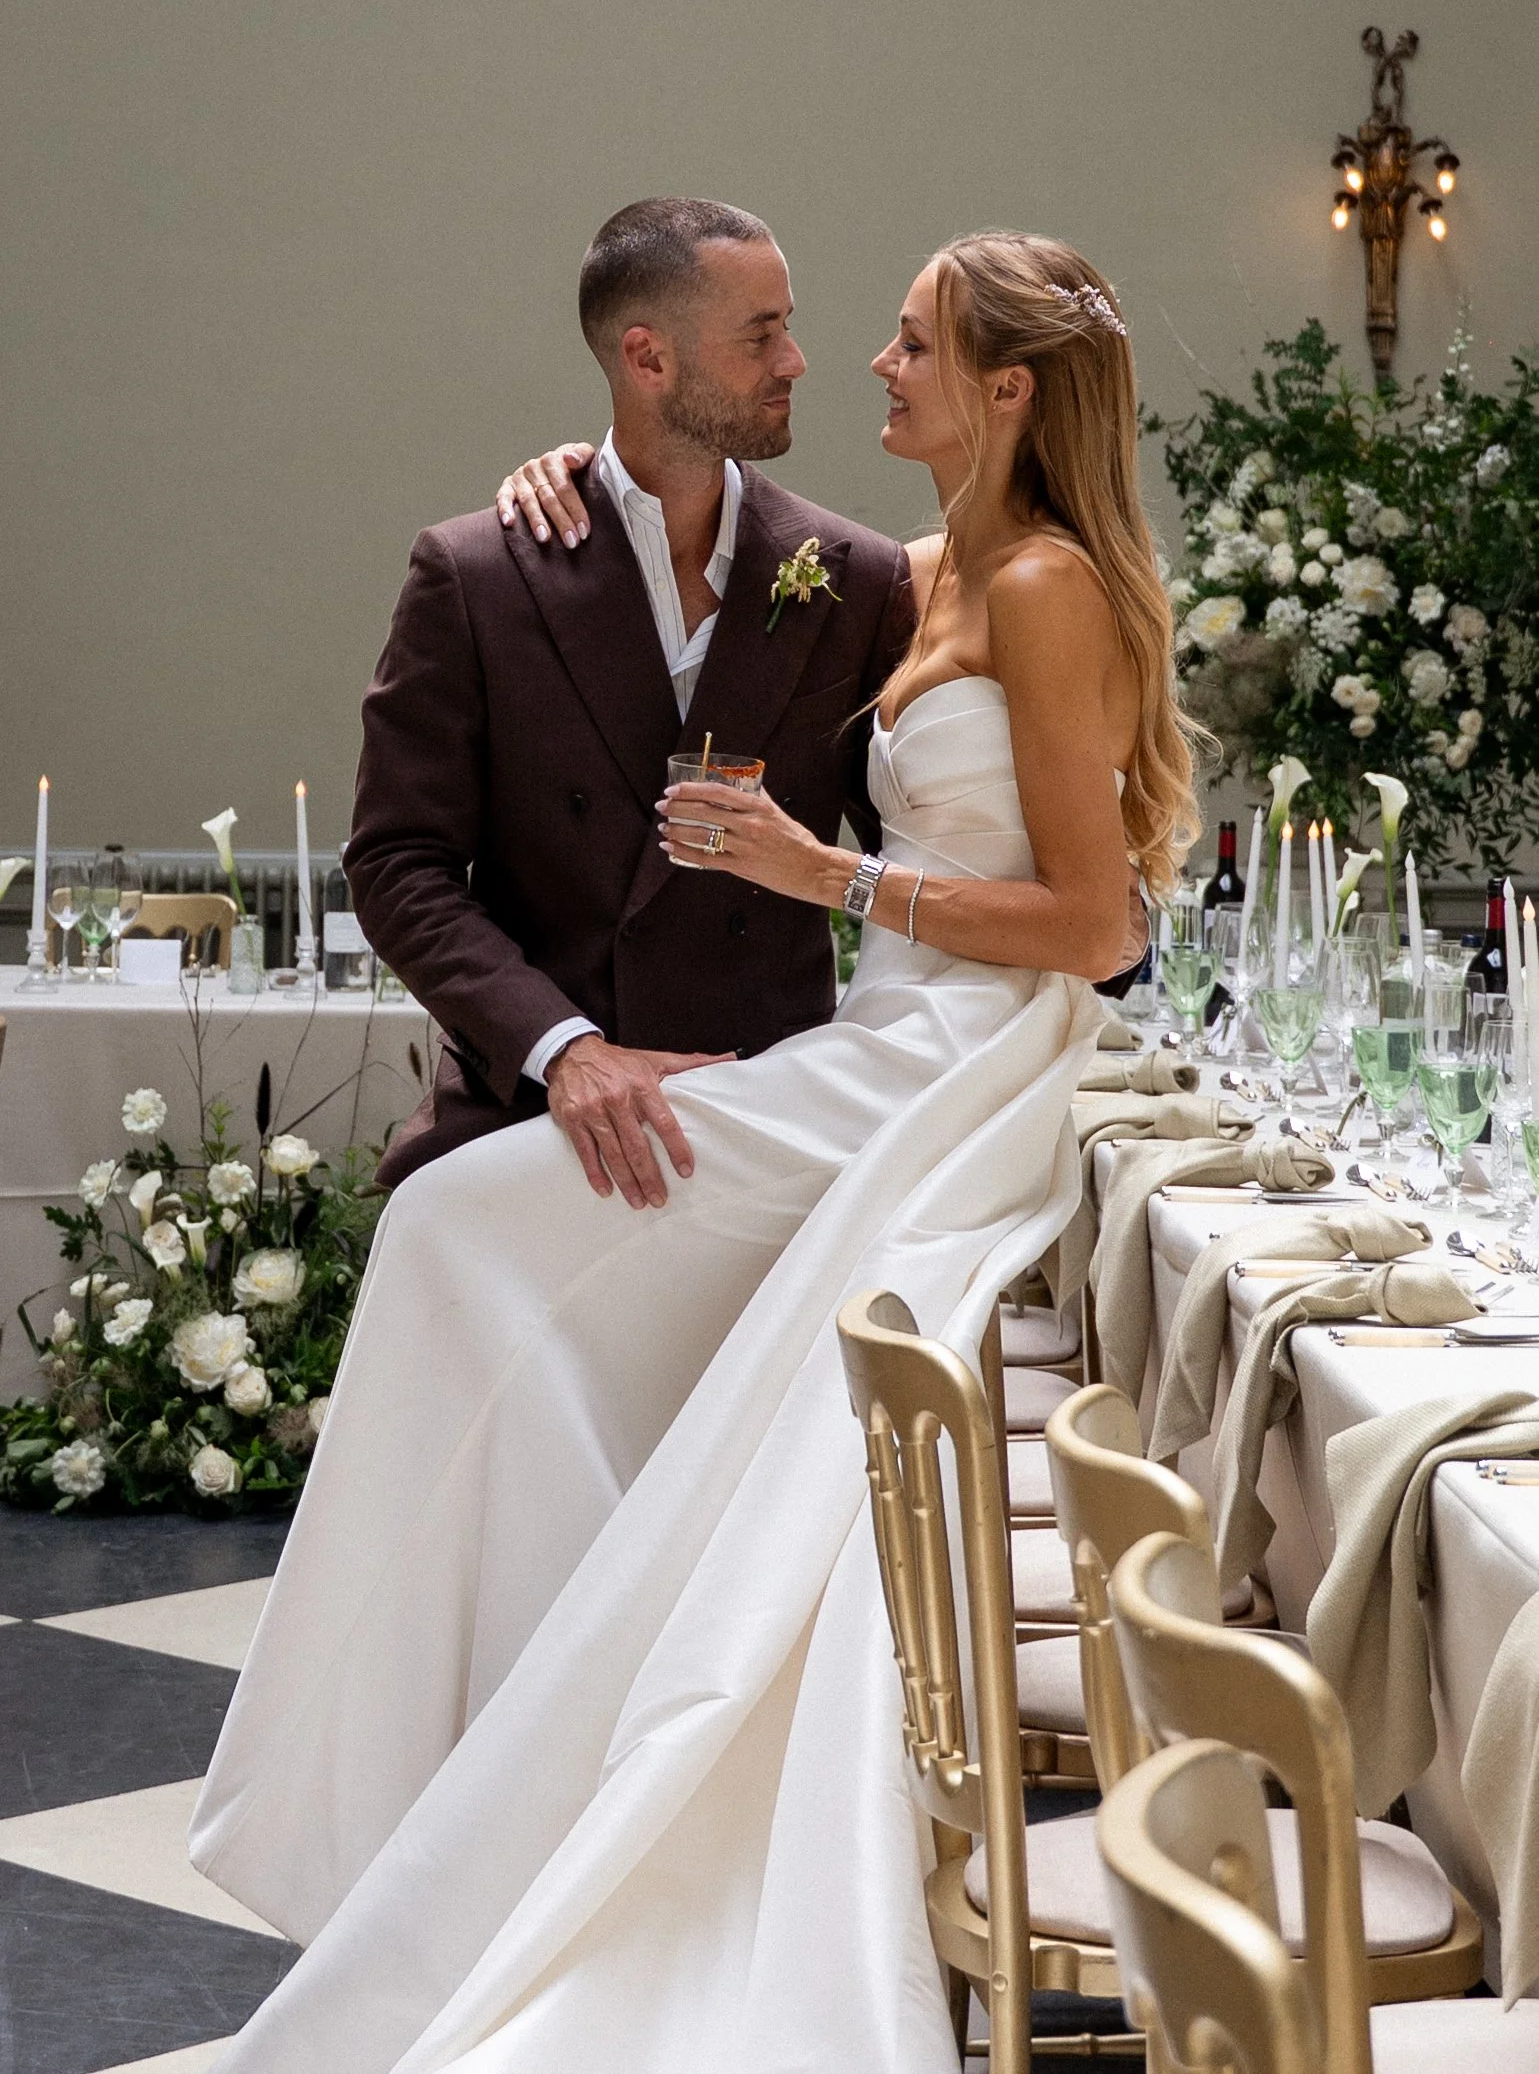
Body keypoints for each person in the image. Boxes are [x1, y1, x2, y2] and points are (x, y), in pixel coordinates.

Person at [191, 231, 1197, 2074]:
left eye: (893, 341)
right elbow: (433, 823)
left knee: (462, 1237)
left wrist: (825, 875)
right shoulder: (904, 568)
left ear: (1004, 388)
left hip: (918, 1064)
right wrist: (569, 477)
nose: (845, 363)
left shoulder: (968, 577)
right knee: (460, 1240)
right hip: (840, 1044)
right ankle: (402, 1791)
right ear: (647, 360)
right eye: (798, 333)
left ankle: (392, 1797)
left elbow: (1097, 914)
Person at [346, 195, 917, 1197]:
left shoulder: (857, 579)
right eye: (762, 333)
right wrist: (564, 1050)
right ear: (649, 359)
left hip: (773, 1126)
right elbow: (399, 862)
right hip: (532, 1121)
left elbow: (914, 852)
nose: (796, 362)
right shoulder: (477, 573)